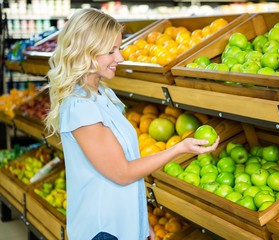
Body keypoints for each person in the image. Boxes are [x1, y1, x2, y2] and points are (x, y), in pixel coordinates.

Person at [44, 8, 219, 240]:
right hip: (103, 230)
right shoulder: (80, 108)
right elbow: (123, 173)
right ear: (86, 52)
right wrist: (179, 148)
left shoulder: (102, 94)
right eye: (111, 51)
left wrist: (141, 223)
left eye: (119, 48)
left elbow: (127, 163)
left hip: (122, 224)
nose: (121, 58)